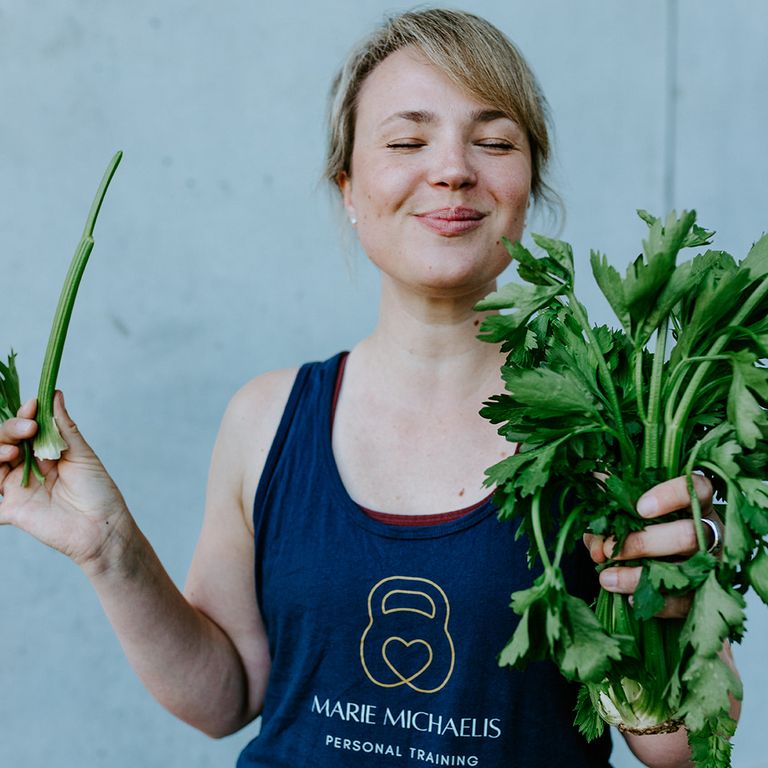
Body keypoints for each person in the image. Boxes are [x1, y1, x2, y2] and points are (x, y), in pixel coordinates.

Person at [0, 8, 738, 767]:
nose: (452, 169)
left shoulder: (611, 431)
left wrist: (677, 601)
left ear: (528, 188)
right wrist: (105, 546)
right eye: (407, 141)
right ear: (349, 189)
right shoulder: (266, 420)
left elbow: (682, 749)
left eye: (492, 141)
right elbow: (226, 697)